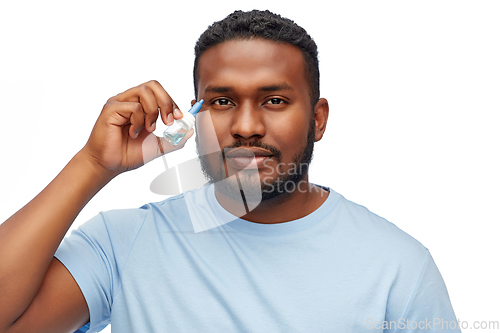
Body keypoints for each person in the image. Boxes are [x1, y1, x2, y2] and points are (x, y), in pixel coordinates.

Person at [0, 10, 460, 333]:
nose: (245, 127)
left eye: (274, 100)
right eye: (221, 102)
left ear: (317, 119)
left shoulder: (399, 268)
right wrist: (93, 164)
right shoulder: (125, 244)